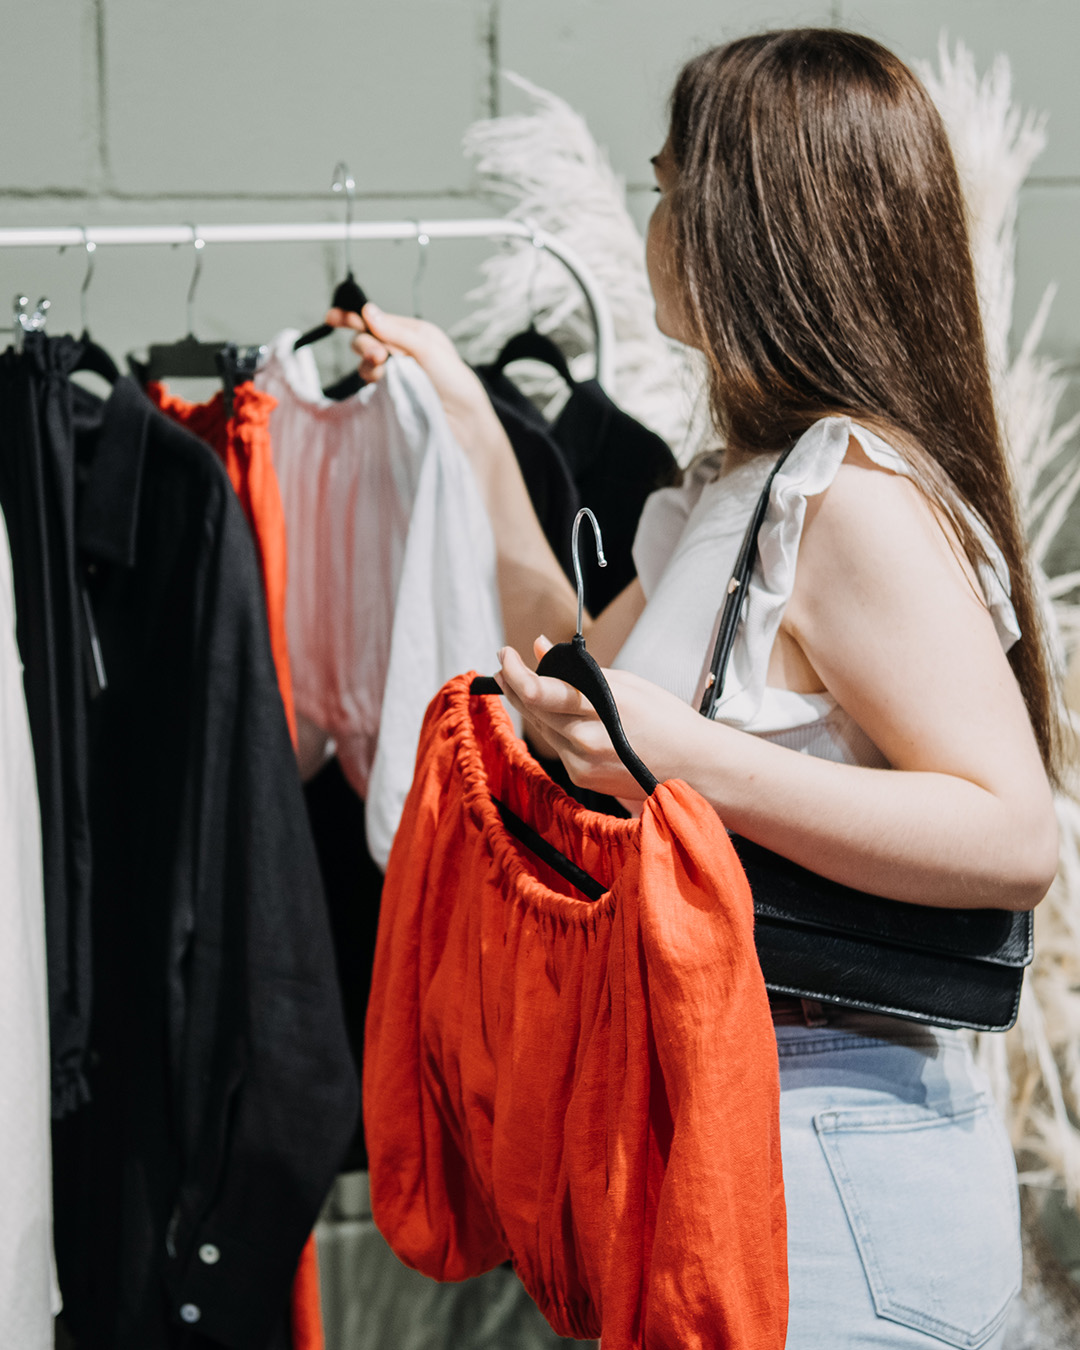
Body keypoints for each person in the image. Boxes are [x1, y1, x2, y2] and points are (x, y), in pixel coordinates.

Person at [331, 29, 1060, 1348]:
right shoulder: (746, 488)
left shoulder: (847, 495)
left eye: (670, 187)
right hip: (749, 1126)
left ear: (749, 226)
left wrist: (683, 759)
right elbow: (578, 659)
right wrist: (462, 411)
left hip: (831, 1146)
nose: (655, 219)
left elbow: (1014, 835)